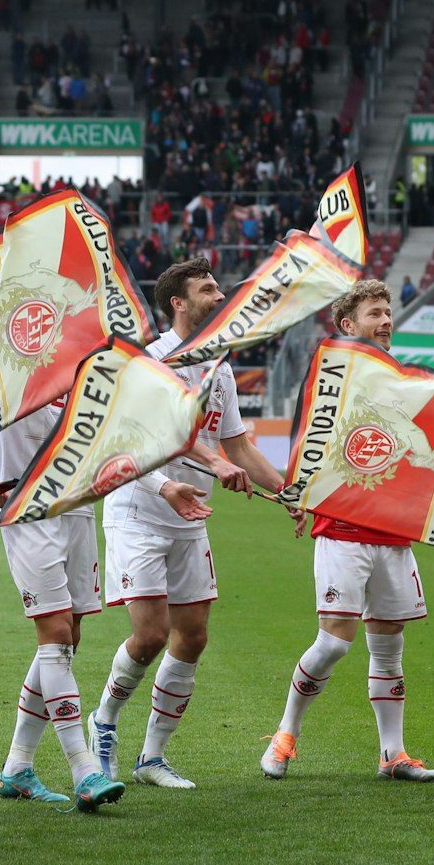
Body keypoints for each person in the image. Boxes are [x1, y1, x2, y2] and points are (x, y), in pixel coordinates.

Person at [90, 257, 288, 789]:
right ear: (178, 302)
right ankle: (104, 722)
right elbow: (139, 438)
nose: (219, 295)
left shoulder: (218, 367)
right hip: (139, 508)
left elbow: (239, 445)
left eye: (218, 286)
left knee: (193, 636)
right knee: (151, 634)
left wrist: (288, 491)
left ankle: (152, 757)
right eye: (207, 289)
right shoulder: (149, 362)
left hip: (189, 515)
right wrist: (204, 470)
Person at [259, 280, 434, 784]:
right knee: (336, 643)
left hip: (393, 533)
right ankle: (284, 735)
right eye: (375, 313)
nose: (386, 320)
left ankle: (393, 754)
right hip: (342, 529)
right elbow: (310, 439)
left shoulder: (405, 381)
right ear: (348, 326)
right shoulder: (331, 379)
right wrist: (297, 494)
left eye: (389, 312)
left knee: (389, 646)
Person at [0, 394, 126, 811]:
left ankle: (17, 767)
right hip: (29, 506)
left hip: (77, 506)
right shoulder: (16, 357)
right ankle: (84, 770)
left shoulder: (82, 360)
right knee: (56, 633)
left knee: (71, 634)